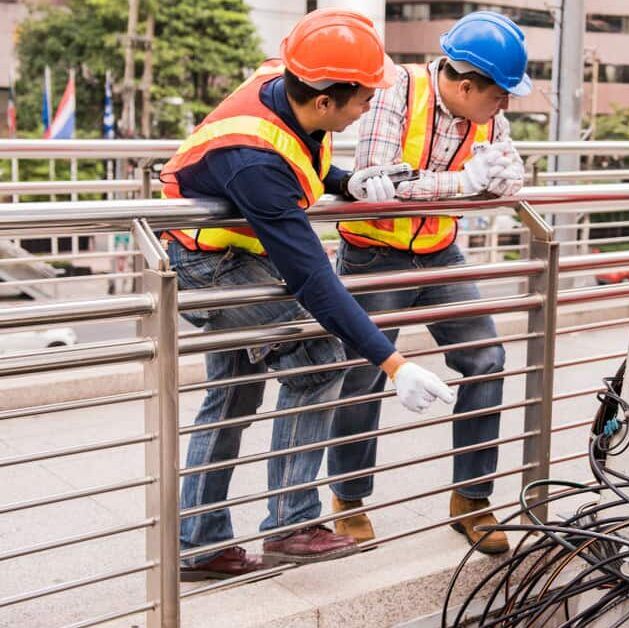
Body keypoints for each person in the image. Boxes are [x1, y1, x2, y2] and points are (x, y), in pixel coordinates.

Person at [159, 9, 455, 581]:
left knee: (233, 393)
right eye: (364, 97)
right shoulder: (253, 163)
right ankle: (291, 524)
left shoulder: (289, 80)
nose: (371, 104)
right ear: (325, 101)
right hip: (207, 266)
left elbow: (303, 154)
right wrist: (395, 365)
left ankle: (198, 542)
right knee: (319, 357)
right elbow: (315, 281)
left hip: (235, 254)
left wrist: (347, 181)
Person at [328, 11, 530, 555]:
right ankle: (347, 499)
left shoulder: (487, 115)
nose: (505, 106)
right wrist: (461, 182)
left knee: (486, 359)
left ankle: (472, 500)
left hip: (440, 251)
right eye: (500, 95)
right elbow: (375, 180)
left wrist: (504, 180)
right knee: (362, 376)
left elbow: (497, 164)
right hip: (375, 254)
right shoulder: (397, 90)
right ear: (466, 86)